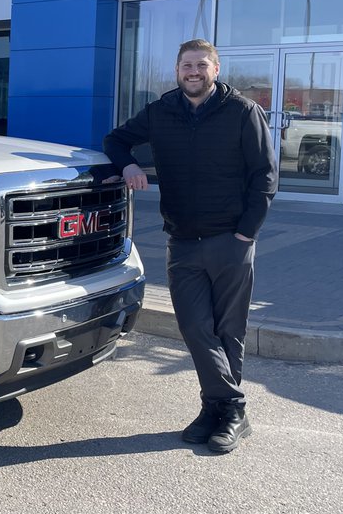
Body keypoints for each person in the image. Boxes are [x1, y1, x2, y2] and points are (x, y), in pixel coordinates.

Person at [103, 39, 276, 454]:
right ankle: (232, 407)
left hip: (230, 239)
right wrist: (127, 164)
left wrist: (246, 233)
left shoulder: (242, 112)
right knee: (195, 327)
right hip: (182, 240)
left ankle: (217, 412)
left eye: (201, 65)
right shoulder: (160, 111)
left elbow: (265, 175)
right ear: (178, 70)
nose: (193, 72)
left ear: (216, 69)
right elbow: (115, 140)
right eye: (187, 65)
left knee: (228, 330)